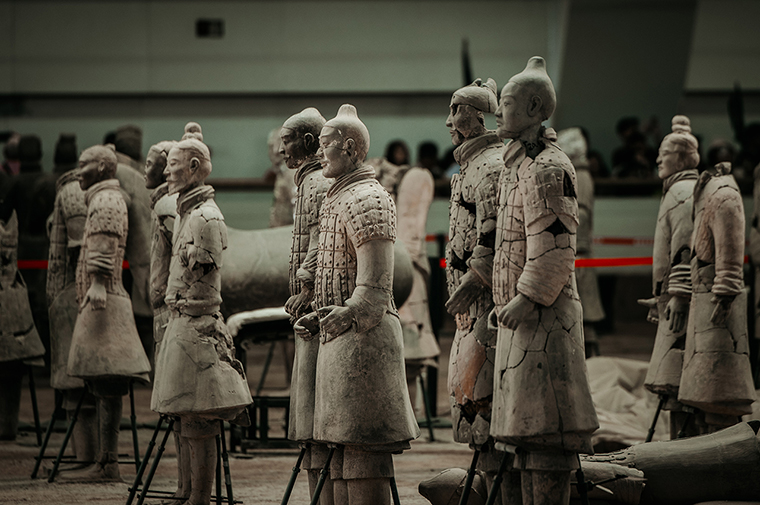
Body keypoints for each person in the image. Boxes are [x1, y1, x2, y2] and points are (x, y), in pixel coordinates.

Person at [294, 104, 418, 505]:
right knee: (339, 455)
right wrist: (320, 315)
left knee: (362, 456)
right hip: (340, 337)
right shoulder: (337, 197)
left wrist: (348, 311)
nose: (318, 153)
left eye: (325, 144)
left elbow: (376, 286)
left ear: (348, 148)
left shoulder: (368, 198)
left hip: (365, 338)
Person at [490, 57, 598, 505]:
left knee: (548, 437)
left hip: (544, 318)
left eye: (507, 102)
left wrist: (527, 296)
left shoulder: (549, 168)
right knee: (526, 440)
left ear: (534, 108)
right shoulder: (518, 164)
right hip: (524, 320)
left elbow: (556, 244)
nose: (499, 111)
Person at [151, 132, 251, 505]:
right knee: (185, 416)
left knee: (199, 420)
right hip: (181, 324)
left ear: (194, 167)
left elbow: (203, 278)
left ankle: (199, 498)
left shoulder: (206, 217)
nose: (167, 172)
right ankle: (188, 492)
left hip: (197, 327)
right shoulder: (187, 213)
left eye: (173, 165)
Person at [442, 77, 511, 500]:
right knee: (472, 403)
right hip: (469, 310)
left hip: (487, 305)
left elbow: (495, 229)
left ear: (480, 117)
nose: (449, 120)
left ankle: (500, 489)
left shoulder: (491, 165)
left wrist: (476, 276)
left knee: (485, 404)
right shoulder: (471, 165)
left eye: (457, 110)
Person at [66, 145, 151, 482]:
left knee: (109, 380)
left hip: (105, 299)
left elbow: (106, 242)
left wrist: (99, 282)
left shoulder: (106, 200)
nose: (78, 171)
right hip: (100, 297)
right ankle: (104, 460)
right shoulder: (103, 196)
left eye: (84, 165)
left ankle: (108, 463)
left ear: (102, 167)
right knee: (102, 382)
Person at [279, 107, 334, 502]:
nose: (282, 149)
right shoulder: (307, 180)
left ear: (309, 141)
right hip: (308, 304)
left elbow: (319, 237)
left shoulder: (315, 182)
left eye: (287, 141)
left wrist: (306, 285)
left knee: (313, 410)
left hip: (314, 304)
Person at [678, 161, 756, 433]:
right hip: (706, 299)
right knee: (705, 394)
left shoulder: (723, 195)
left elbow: (730, 250)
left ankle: (727, 448)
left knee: (721, 394)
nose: (658, 161)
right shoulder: (709, 192)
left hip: (718, 304)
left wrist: (725, 291)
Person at [638, 116, 700, 438]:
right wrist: (660, 296)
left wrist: (678, 294)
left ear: (681, 157)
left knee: (679, 381)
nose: (658, 160)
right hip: (674, 300)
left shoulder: (682, 192)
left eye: (664, 154)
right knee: (677, 383)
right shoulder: (677, 189)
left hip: (682, 303)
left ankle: (685, 448)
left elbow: (686, 247)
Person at [557, 127, 605, 358]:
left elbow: (582, 215)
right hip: (577, 250)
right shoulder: (577, 173)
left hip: (579, 251)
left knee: (584, 310)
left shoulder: (581, 176)